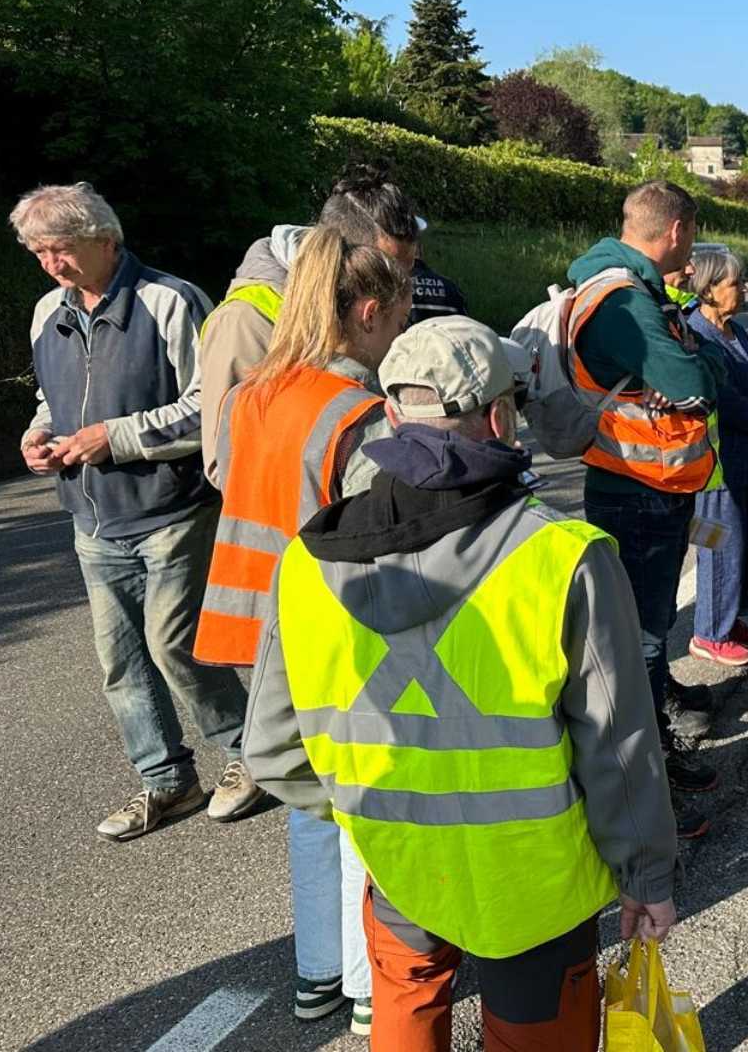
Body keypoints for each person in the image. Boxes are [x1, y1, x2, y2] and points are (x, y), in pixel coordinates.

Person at [242, 317, 679, 1052]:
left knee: (405, 1019)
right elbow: (620, 748)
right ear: (502, 417)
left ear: (389, 414)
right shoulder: (560, 555)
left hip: (402, 867)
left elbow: (273, 752)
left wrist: (375, 813)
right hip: (536, 885)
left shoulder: (307, 562)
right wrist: (646, 876)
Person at [198, 225, 411, 1032]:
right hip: (324, 635)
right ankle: (367, 988)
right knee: (360, 802)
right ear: (364, 312)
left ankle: (316, 972)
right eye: (393, 320)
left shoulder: (255, 392)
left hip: (253, 627)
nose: (396, 336)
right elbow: (374, 540)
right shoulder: (357, 412)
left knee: (307, 803)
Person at [12, 183, 260, 841]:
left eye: (59, 249)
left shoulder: (170, 301)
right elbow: (51, 396)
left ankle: (249, 756)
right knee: (119, 662)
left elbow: (213, 405)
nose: (50, 265)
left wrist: (113, 436)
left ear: (106, 239)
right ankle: (167, 783)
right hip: (92, 518)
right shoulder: (46, 312)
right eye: (38, 252)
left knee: (175, 644)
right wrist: (39, 435)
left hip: (172, 509)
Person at [567, 180, 725, 838]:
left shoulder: (619, 286)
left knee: (647, 632)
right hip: (636, 488)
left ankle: (655, 757)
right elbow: (694, 382)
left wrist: (681, 371)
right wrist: (688, 374)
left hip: (647, 487)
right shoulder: (625, 301)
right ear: (677, 232)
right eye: (690, 234)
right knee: (641, 641)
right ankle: (644, 787)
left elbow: (681, 376)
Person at [199, 169, 422, 485]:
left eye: (410, 267)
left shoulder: (376, 303)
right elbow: (225, 463)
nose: (403, 282)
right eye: (389, 268)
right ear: (345, 255)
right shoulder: (245, 320)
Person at [684, 248, 748, 668]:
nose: (743, 289)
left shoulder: (735, 330)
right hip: (715, 466)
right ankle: (709, 632)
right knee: (719, 545)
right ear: (708, 290)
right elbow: (725, 399)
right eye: (735, 283)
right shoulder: (696, 334)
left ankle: (732, 619)